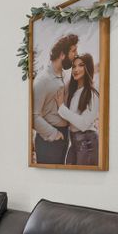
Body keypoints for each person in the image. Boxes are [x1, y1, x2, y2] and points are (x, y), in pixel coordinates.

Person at [32, 33, 78, 164]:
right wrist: (54, 134)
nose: (76, 54)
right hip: (49, 141)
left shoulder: (63, 76)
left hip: (63, 137)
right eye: (73, 51)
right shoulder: (42, 80)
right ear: (62, 54)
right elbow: (33, 116)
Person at [55, 54, 99, 166]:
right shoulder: (74, 93)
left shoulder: (92, 94)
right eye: (74, 66)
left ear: (88, 67)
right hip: (74, 143)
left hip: (88, 144)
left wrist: (61, 107)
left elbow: (83, 124)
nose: (76, 69)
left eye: (81, 65)